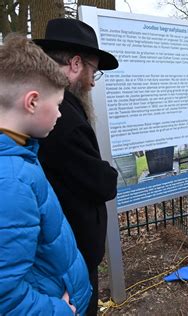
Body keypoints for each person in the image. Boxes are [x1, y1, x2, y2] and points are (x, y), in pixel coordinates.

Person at [0, 34, 91, 315]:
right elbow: (6, 296)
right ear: (32, 102)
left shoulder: (21, 153)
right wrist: (60, 311)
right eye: (59, 103)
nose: (61, 115)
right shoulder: (11, 180)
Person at [34, 18, 119, 315]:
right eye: (93, 71)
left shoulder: (47, 105)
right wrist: (109, 171)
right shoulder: (61, 117)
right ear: (75, 64)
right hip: (71, 254)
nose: (94, 81)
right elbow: (102, 183)